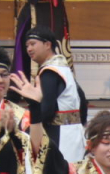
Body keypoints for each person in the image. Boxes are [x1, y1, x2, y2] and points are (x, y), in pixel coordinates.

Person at [21, 25, 86, 163]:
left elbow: (46, 109)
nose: (29, 49)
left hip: (58, 136)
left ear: (47, 44)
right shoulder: (63, 68)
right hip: (74, 132)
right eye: (27, 45)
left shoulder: (50, 71)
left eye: (33, 44)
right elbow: (83, 99)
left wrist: (28, 127)